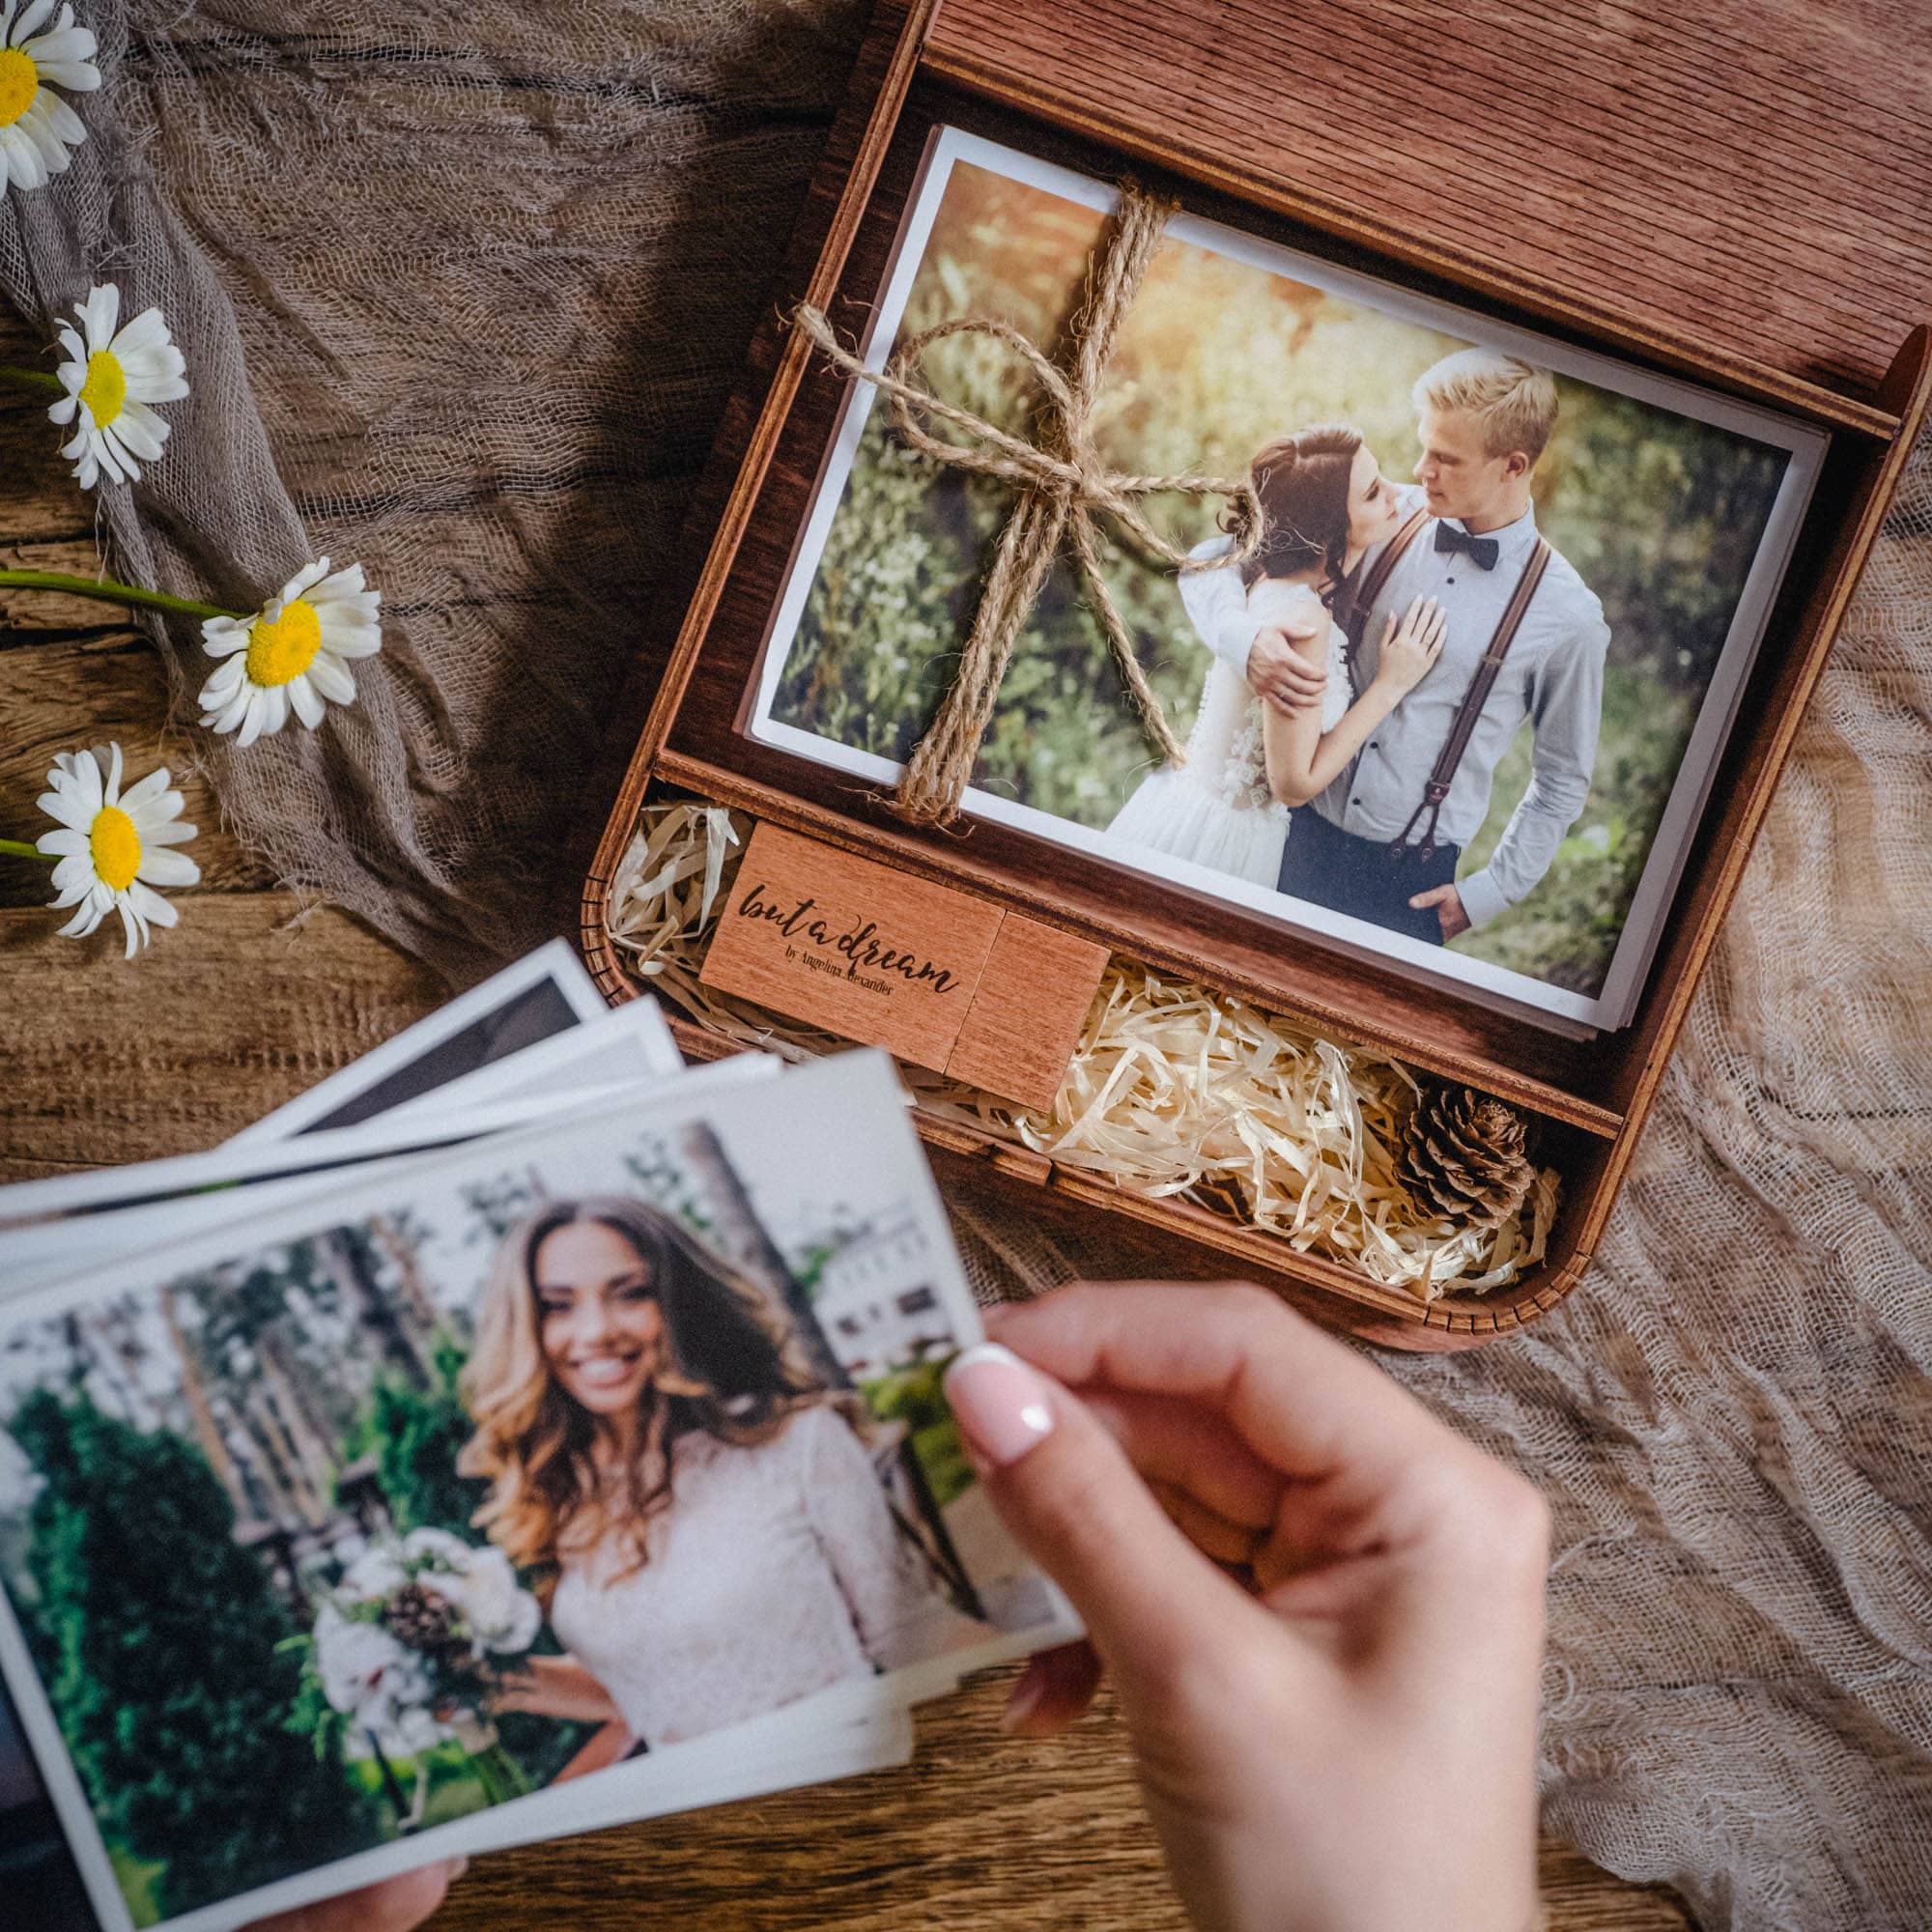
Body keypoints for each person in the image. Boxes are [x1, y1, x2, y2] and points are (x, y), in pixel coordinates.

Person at [254, 1279, 1548, 1932]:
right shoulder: (576, 1532)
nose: (592, 1359)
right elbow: (648, 1691)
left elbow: (878, 1631)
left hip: (809, 1846)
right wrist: (493, 1685)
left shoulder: (788, 1452)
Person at [455, 1196, 943, 1748]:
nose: (595, 1331)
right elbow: (644, 1684)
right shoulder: (563, 1491)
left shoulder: (797, 1443)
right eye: (559, 1306)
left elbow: (911, 1637)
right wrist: (469, 1674)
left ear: (678, 1301)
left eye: (631, 1294)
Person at [1184, 350, 1610, 948]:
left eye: (1445, 458)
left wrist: (1489, 892)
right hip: (1288, 836)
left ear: (1513, 466)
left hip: (1407, 888)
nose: (1420, 469)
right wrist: (1244, 639)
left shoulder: (1568, 617)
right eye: (1424, 447)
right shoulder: (1381, 516)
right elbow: (1209, 560)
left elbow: (1563, 780)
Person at [1106, 424, 1446, 887]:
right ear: (1328, 533)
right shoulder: (1304, 622)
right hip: (1224, 844)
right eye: (1372, 493)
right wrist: (1391, 685)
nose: (1394, 495)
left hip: (1186, 809)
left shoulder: (1265, 578)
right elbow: (1293, 784)